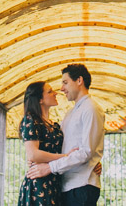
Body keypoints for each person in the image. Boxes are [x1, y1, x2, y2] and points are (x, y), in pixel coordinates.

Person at [26, 64, 105, 206]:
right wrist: (36, 157)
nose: (61, 89)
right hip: (65, 186)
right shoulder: (70, 114)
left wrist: (49, 167)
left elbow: (86, 152)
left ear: (79, 80)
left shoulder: (91, 109)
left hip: (81, 185)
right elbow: (61, 145)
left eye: (65, 82)